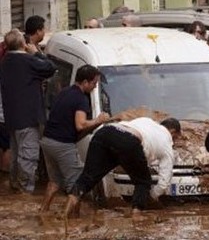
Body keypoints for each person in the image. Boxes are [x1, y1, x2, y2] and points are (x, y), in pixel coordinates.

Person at [65, 117, 181, 217]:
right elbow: (164, 180)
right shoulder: (167, 144)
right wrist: (152, 196)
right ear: (172, 131)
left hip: (104, 132)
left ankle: (65, 216)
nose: (174, 141)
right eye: (175, 137)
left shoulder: (147, 121)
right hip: (128, 141)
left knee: (88, 177)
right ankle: (137, 218)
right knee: (143, 182)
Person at [40, 65, 111, 212]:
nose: (95, 86)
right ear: (85, 82)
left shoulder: (65, 92)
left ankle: (43, 210)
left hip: (47, 141)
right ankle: (71, 219)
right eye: (94, 83)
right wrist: (98, 120)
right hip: (62, 145)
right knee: (77, 184)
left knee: (54, 180)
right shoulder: (81, 99)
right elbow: (80, 124)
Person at [0, 29, 56, 193]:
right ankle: (26, 191)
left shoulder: (5, 62)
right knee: (28, 156)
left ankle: (15, 186)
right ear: (23, 44)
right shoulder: (27, 61)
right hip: (28, 118)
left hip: (12, 118)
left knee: (17, 154)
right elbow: (51, 68)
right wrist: (36, 53)